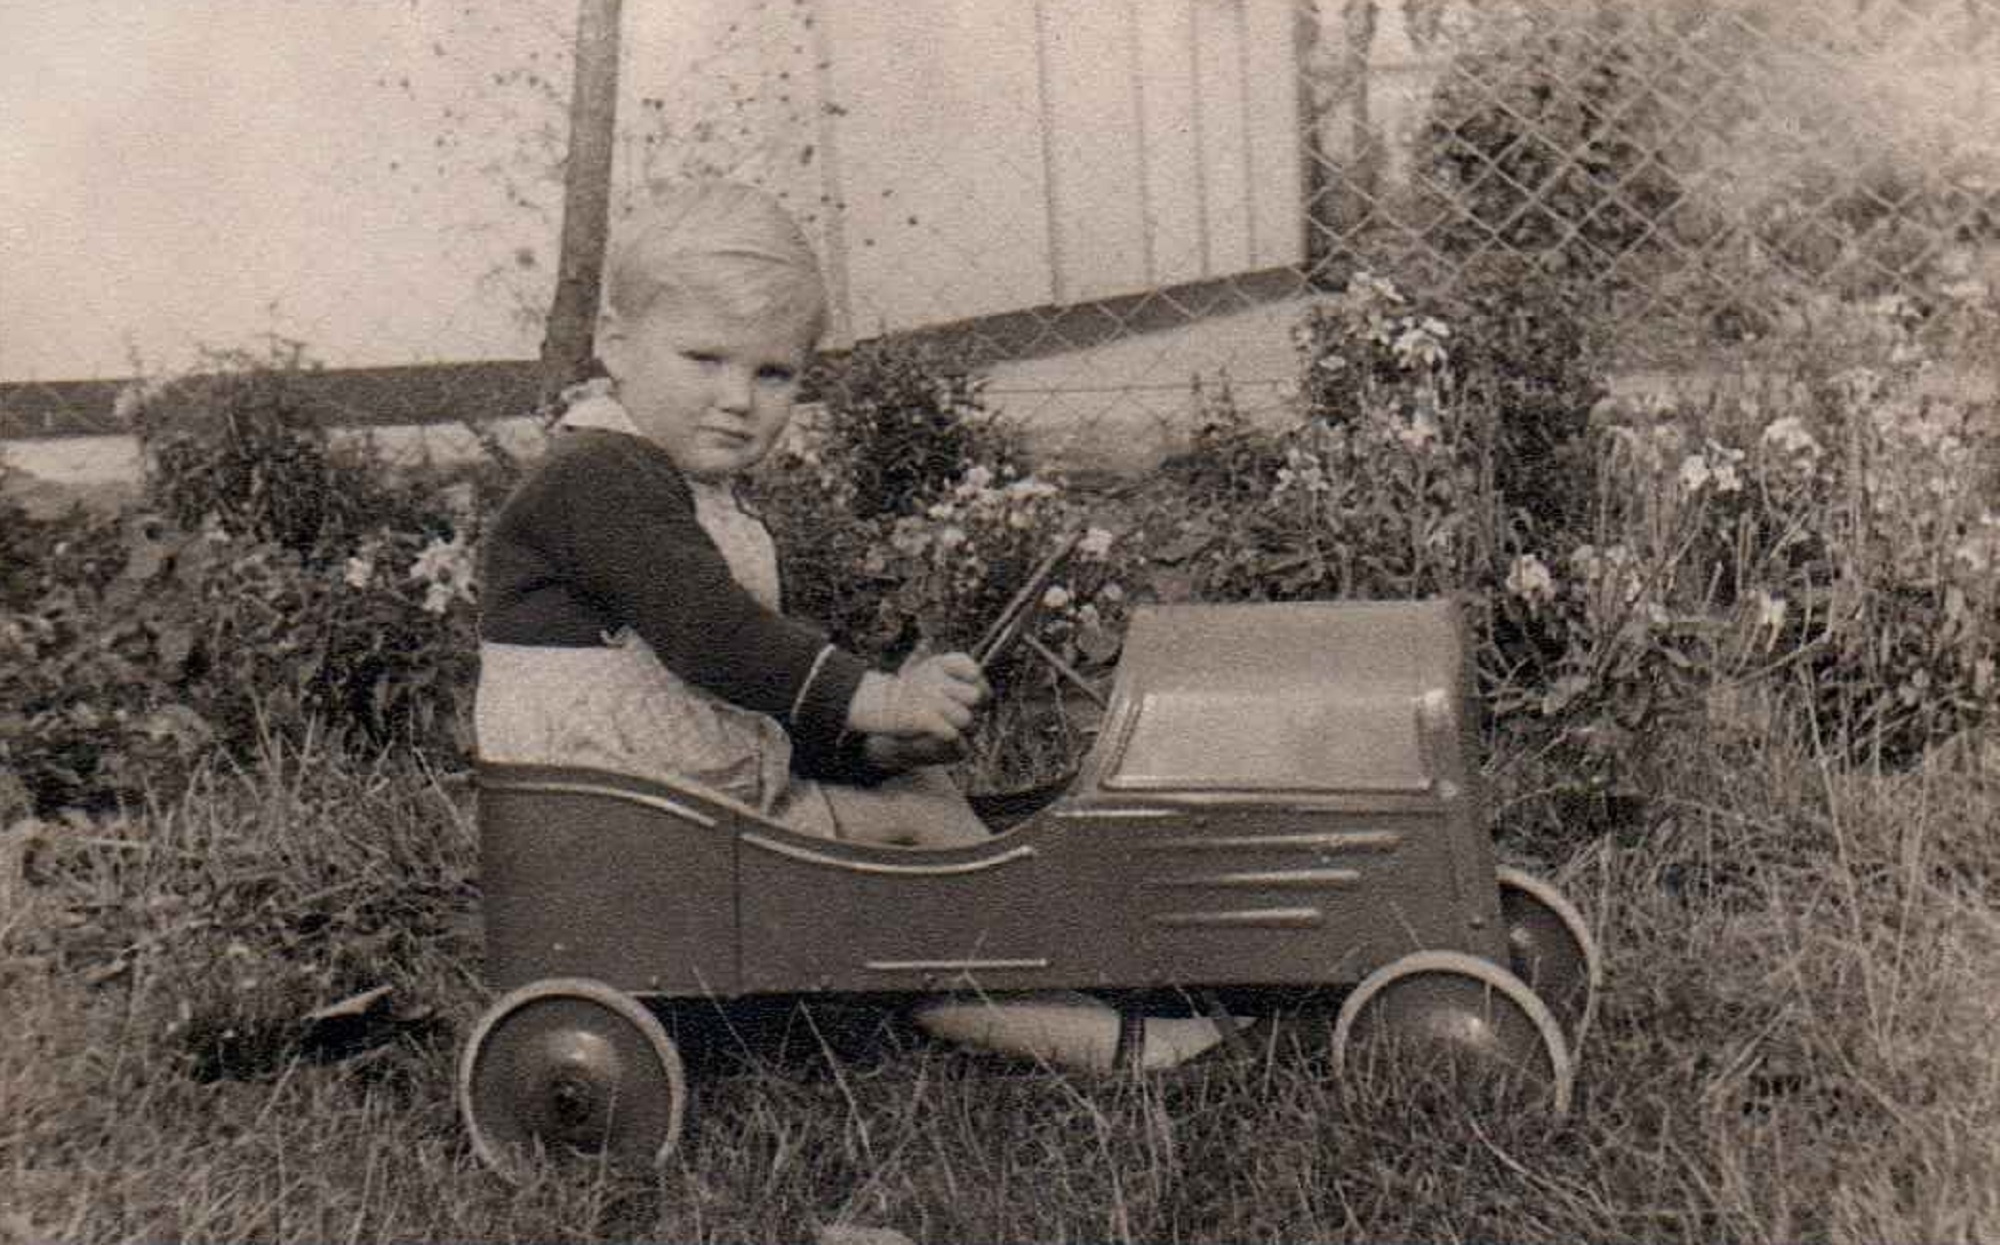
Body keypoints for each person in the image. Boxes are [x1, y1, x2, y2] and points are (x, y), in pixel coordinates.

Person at [474, 179, 989, 847]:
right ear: (617, 342)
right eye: (705, 358)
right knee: (924, 820)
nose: (738, 398)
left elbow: (745, 690)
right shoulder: (594, 476)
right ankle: (1033, 943)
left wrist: (873, 742)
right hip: (608, 832)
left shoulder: (692, 491)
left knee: (918, 786)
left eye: (773, 373)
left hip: (685, 802)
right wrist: (882, 698)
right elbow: (717, 638)